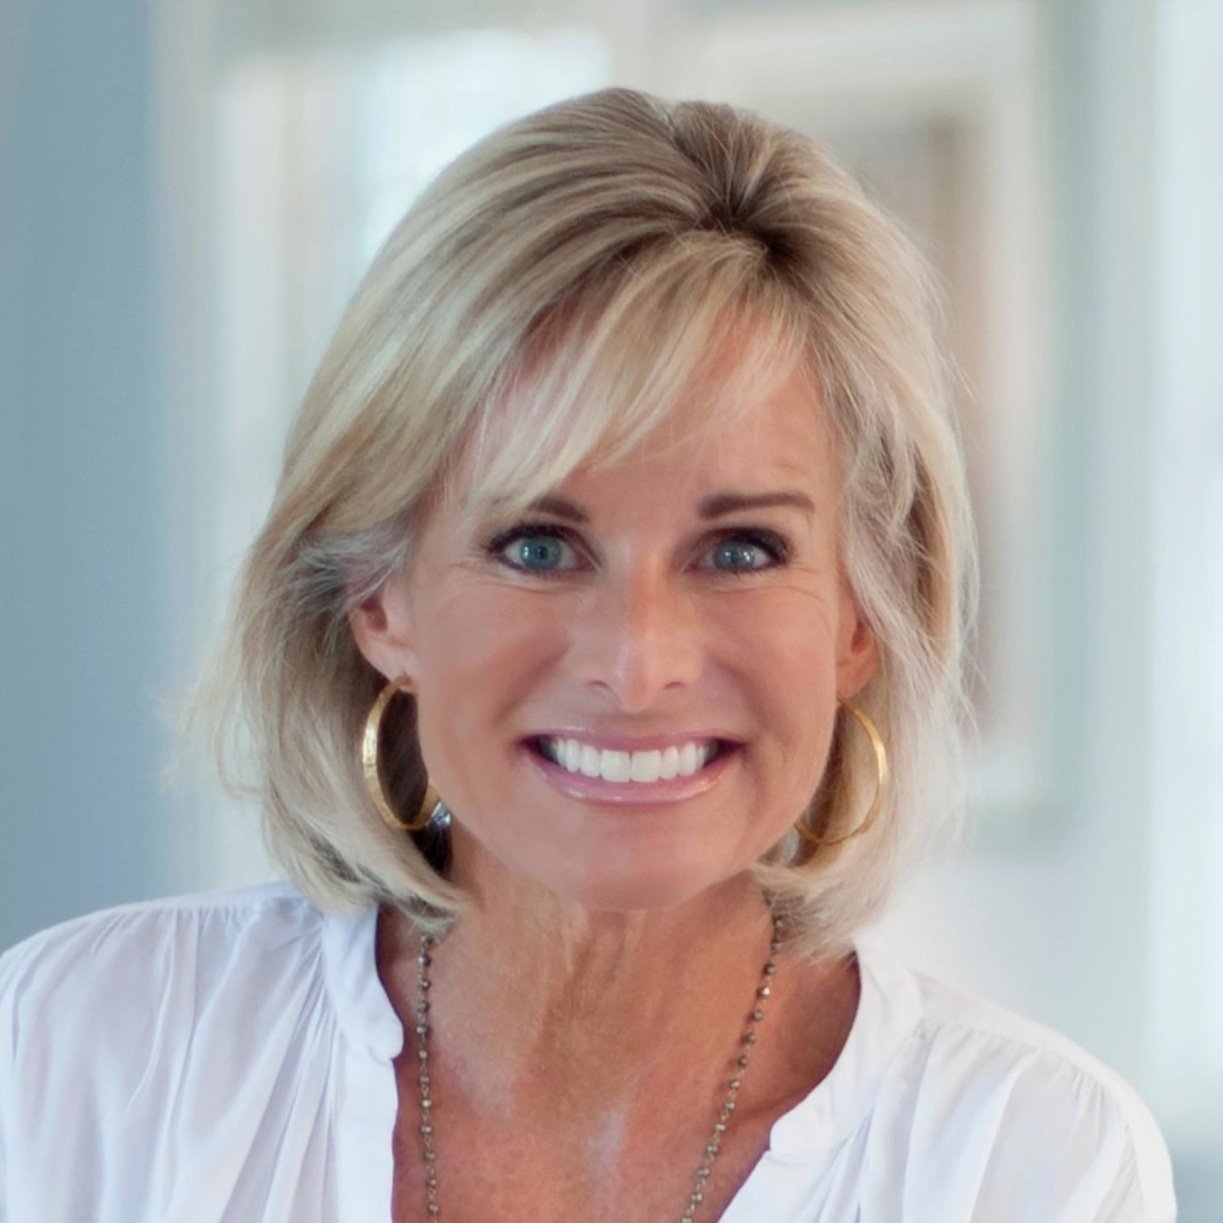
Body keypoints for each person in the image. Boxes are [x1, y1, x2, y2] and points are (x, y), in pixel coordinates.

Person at [0, 88, 1174, 1222]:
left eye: (740, 549)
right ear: (379, 599)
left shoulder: (1030, 1164)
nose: (637, 661)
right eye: (536, 544)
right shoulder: (86, 1058)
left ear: (860, 615)